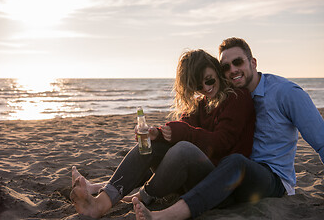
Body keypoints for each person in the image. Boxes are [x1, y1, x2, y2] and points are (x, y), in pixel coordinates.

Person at [132, 37, 324, 220]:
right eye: (226, 67)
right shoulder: (230, 98)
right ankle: (116, 192)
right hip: (228, 178)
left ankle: (169, 215)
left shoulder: (286, 93)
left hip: (271, 178)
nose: (232, 70)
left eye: (238, 62)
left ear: (253, 62)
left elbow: (321, 141)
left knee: (235, 162)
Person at [70, 49, 256, 219]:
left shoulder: (237, 97)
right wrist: (156, 134)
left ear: (217, 71)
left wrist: (183, 132)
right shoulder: (201, 103)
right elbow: (183, 128)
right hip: (192, 180)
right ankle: (100, 204)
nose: (205, 88)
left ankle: (141, 195)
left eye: (209, 80)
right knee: (150, 146)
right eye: (198, 86)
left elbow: (222, 142)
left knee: (183, 149)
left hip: (220, 185)